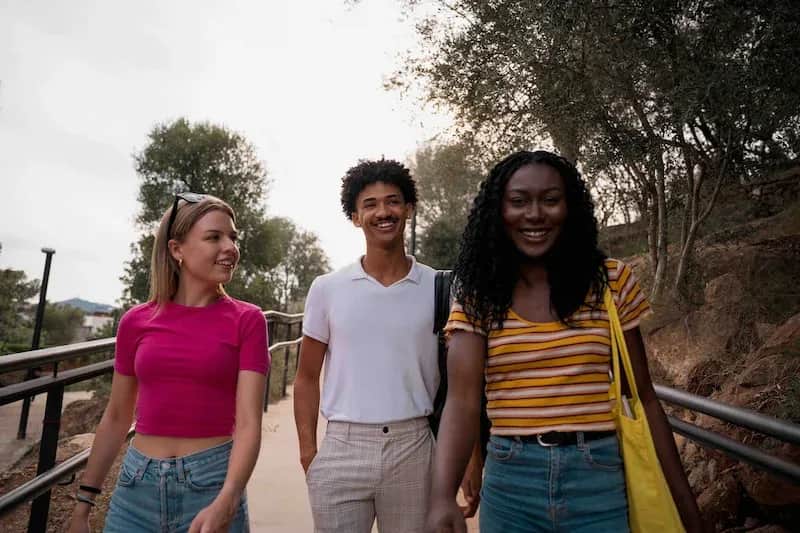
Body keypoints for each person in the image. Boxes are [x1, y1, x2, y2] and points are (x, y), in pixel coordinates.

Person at [425, 150, 705, 532]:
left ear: (569, 208)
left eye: (551, 200)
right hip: (510, 485)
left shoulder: (610, 282)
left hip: (600, 480)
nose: (535, 214)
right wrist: (442, 497)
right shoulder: (478, 294)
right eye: (519, 201)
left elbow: (642, 398)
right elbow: (461, 402)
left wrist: (686, 505)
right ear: (498, 211)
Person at [293, 159, 479, 533]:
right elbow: (306, 377)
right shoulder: (327, 288)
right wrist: (310, 454)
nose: (383, 212)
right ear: (355, 216)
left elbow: (465, 383)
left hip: (415, 446)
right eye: (370, 204)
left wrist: (471, 458)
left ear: (408, 208)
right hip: (342, 447)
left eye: (393, 201)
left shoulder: (442, 287)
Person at [67, 193, 269, 533]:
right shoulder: (136, 321)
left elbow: (249, 423)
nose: (230, 247)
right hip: (136, 488)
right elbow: (116, 416)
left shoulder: (248, 321)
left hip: (212, 484)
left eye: (233, 237)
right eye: (214, 237)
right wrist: (83, 506)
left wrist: (229, 498)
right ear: (177, 250)